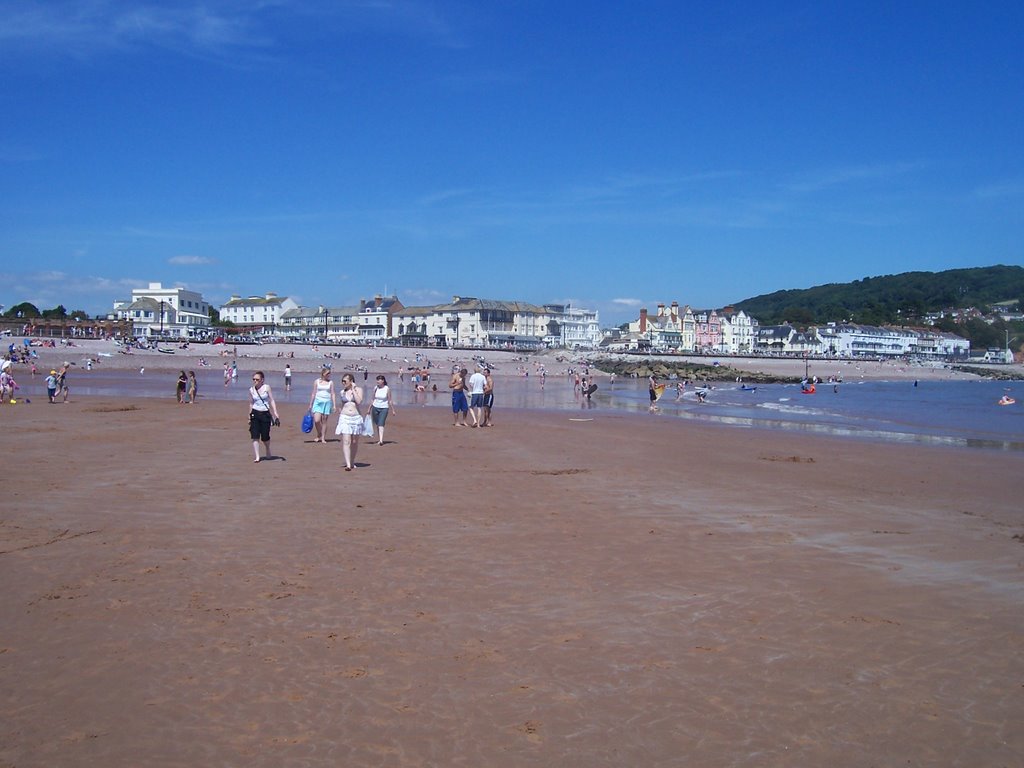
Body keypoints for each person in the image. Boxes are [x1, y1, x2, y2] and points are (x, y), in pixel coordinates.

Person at [248, 371, 281, 463]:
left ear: (262, 380)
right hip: (255, 413)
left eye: (257, 379)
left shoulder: (267, 388)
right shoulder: (251, 390)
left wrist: (275, 413)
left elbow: (272, 400)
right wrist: (249, 416)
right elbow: (251, 403)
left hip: (265, 414)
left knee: (265, 436)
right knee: (254, 436)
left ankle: (267, 449)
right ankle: (257, 456)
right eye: (253, 379)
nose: (255, 381)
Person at [335, 373, 364, 471]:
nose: (343, 383)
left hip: (356, 418)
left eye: (345, 381)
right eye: (342, 381)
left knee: (354, 442)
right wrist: (339, 413)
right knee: (346, 441)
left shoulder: (359, 390)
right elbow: (342, 404)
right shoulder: (342, 392)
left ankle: (352, 461)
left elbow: (359, 401)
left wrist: (353, 390)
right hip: (345, 418)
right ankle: (348, 464)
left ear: (351, 381)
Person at [308, 367, 336, 444]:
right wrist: (310, 404)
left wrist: (334, 405)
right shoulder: (317, 381)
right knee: (317, 420)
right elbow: (313, 393)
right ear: (323, 374)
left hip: (327, 402)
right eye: (327, 373)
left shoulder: (331, 382)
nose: (329, 375)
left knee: (324, 421)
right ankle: (319, 433)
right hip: (317, 402)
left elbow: (332, 393)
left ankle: (323, 437)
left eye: (329, 373)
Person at [370, 375, 395, 445]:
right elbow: (372, 399)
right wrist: (369, 409)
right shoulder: (375, 388)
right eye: (377, 380)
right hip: (375, 407)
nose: (377, 381)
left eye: (379, 380)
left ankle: (381, 440)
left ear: (383, 381)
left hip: (384, 408)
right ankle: (379, 438)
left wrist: (393, 409)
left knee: (381, 423)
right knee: (377, 423)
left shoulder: (387, 389)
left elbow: (390, 400)